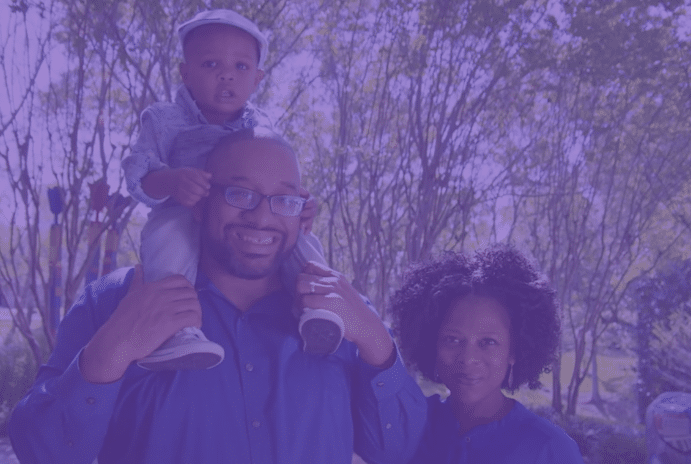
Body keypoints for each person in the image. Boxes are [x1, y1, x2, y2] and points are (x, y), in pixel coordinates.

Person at [9, 128, 427, 464]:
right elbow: (40, 453)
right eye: (239, 193)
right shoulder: (113, 302)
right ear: (198, 203)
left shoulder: (343, 315)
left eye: (282, 200)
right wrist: (109, 352)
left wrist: (376, 340)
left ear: (300, 210)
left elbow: (396, 451)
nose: (262, 216)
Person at [121, 9, 343, 370]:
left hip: (251, 215)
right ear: (185, 72)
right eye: (210, 64)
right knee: (167, 241)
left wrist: (299, 204)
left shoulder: (263, 125)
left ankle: (320, 307)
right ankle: (175, 330)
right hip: (183, 211)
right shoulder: (163, 120)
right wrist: (172, 181)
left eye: (240, 67)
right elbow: (139, 173)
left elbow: (280, 179)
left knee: (301, 242)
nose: (226, 74)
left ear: (257, 79)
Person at [389, 245, 584, 463]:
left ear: (514, 350)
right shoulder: (409, 426)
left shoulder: (550, 449)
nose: (468, 358)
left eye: (488, 342)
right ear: (431, 342)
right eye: (453, 339)